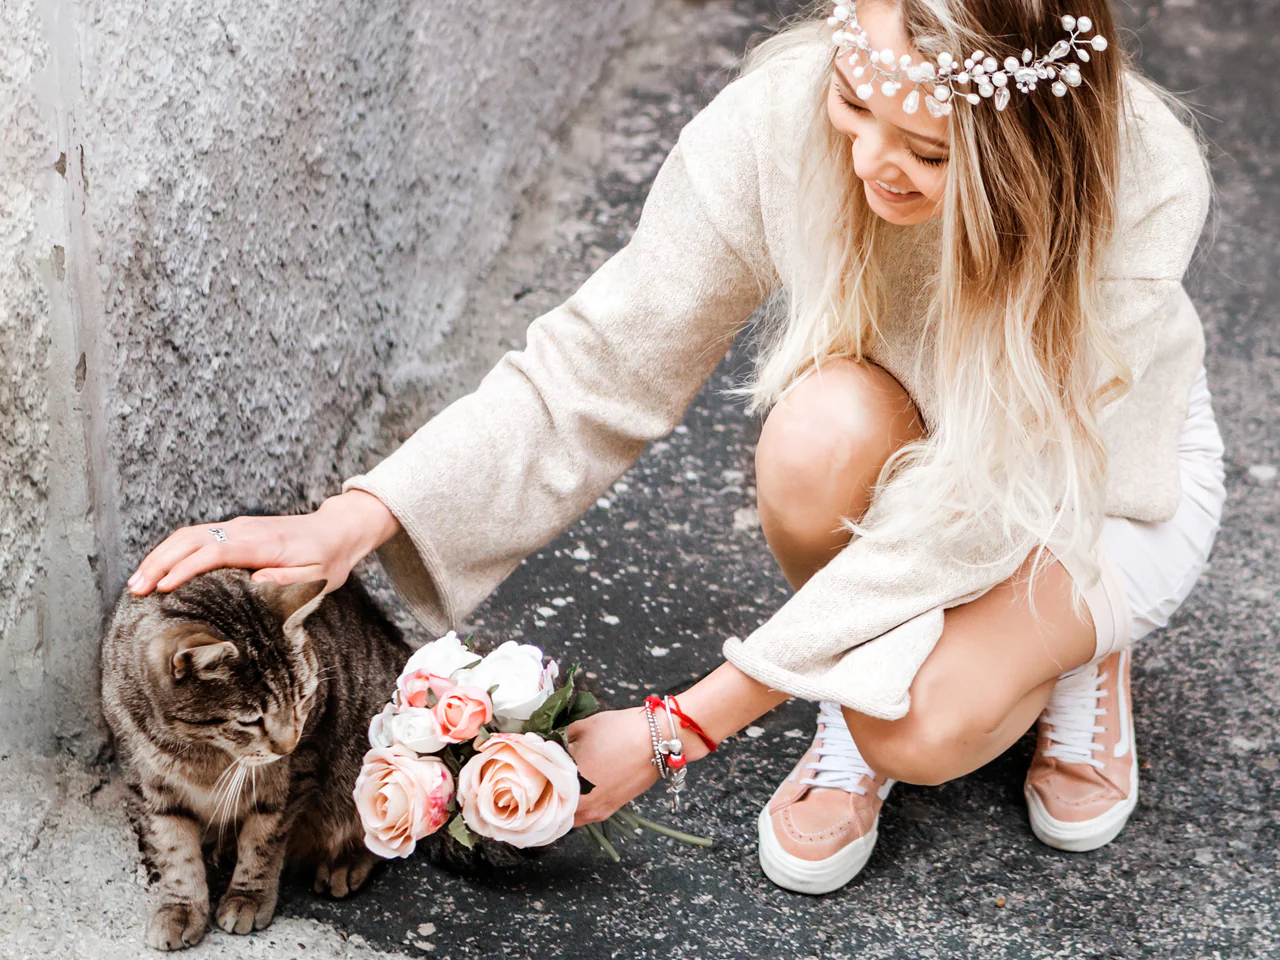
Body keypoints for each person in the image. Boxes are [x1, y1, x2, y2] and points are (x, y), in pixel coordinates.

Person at [128, 0, 1225, 895]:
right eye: (853, 103)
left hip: (1086, 494)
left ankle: (1076, 648)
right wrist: (358, 516)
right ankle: (847, 679)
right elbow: (602, 362)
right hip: (902, 439)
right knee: (814, 437)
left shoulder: (1138, 178)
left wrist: (681, 728)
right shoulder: (775, 129)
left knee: (920, 732)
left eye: (929, 150)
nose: (871, 163)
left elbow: (984, 504)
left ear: (1018, 148)